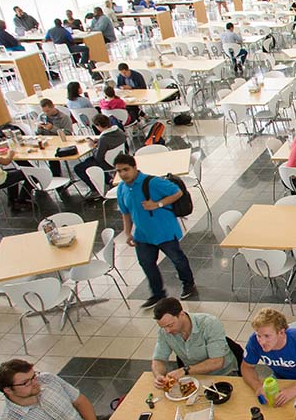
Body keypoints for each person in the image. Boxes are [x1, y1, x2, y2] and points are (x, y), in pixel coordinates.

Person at [115, 153, 195, 306]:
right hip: (142, 235)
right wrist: (127, 232)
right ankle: (157, 293)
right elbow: (125, 212)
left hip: (164, 231)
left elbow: (177, 192)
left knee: (177, 259)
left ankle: (188, 284)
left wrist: (157, 204)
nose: (123, 174)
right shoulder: (121, 189)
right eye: (119, 171)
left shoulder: (152, 182)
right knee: (146, 263)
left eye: (126, 169)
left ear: (135, 168)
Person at [239, 307, 296, 405]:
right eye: (258, 335)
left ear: (281, 333)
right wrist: (257, 386)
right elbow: (246, 367)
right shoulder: (254, 341)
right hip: (280, 378)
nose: (261, 342)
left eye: (267, 336)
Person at [151, 297, 238, 386]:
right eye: (163, 327)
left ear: (181, 314)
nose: (167, 331)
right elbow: (159, 359)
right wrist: (159, 375)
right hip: (194, 377)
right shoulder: (165, 332)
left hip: (224, 375)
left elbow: (217, 362)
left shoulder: (209, 324)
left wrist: (185, 370)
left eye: (170, 325)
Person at [74, 113, 127, 193]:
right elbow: (110, 143)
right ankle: (108, 179)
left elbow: (98, 158)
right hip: (119, 158)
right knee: (87, 161)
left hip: (107, 162)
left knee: (79, 167)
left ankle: (95, 189)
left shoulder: (104, 139)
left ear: (98, 125)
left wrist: (93, 147)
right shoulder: (119, 131)